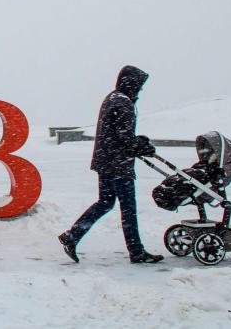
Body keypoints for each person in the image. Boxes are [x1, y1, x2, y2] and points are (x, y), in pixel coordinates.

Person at [58, 65, 163, 264]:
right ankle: (136, 251)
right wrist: (141, 145)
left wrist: (136, 142)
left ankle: (73, 235)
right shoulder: (122, 103)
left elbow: (117, 133)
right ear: (130, 83)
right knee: (128, 209)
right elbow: (124, 136)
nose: (140, 90)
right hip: (118, 164)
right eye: (138, 85)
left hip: (105, 161)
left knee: (105, 202)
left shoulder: (112, 98)